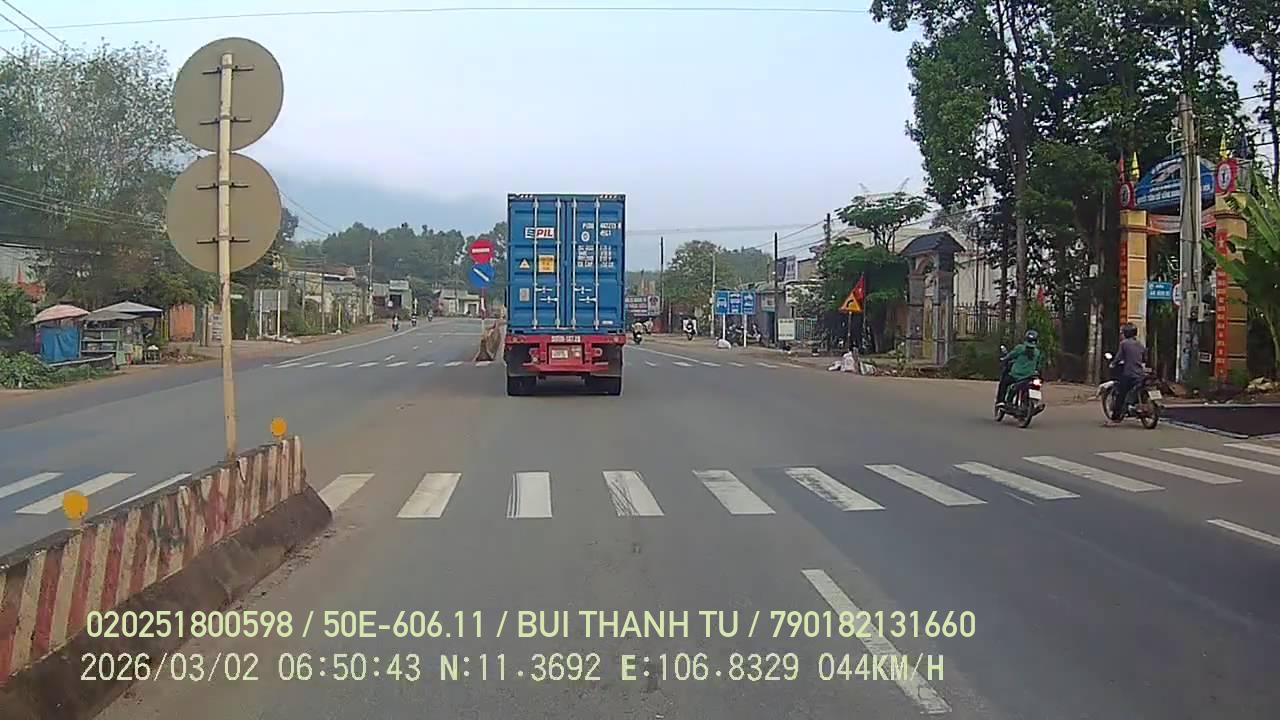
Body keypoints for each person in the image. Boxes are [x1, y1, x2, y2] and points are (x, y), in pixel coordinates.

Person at [996, 329, 1044, 408]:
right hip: (1029, 377)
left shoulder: (1020, 348)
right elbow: (1039, 366)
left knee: (1004, 382)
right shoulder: (1037, 352)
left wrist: (1003, 359)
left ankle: (1001, 401)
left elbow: (1010, 356)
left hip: (1016, 375)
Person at [1109, 323, 1147, 422]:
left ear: (1126, 333)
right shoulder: (1140, 345)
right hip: (1140, 374)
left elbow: (1119, 357)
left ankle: (1116, 416)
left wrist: (1113, 364)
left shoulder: (1124, 344)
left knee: (1121, 393)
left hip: (1129, 374)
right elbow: (1144, 358)